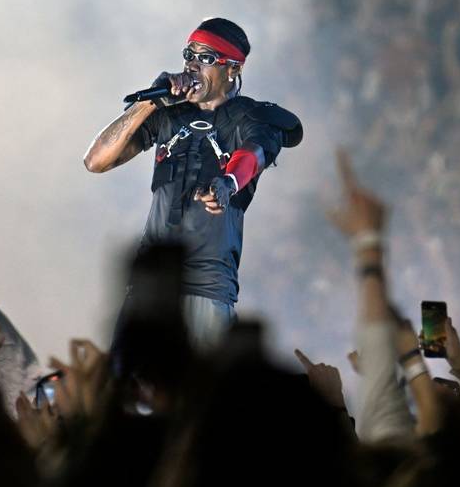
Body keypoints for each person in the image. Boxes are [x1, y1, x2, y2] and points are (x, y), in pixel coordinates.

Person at [83, 17, 303, 345]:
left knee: (200, 380)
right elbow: (96, 161)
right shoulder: (168, 113)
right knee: (128, 378)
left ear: (233, 69)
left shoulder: (251, 117)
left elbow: (255, 153)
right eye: (189, 55)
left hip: (206, 290)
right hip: (148, 290)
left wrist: (228, 183)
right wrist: (148, 103)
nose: (192, 65)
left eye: (206, 58)